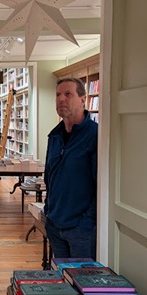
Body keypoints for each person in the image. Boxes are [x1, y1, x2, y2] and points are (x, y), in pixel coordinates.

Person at [44, 77, 98, 259]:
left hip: (81, 229)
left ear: (83, 99)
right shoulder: (54, 136)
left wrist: (87, 222)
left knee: (82, 276)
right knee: (61, 276)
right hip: (55, 224)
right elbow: (49, 177)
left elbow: (101, 184)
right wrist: (48, 211)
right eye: (58, 94)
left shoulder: (95, 135)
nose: (61, 99)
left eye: (68, 94)